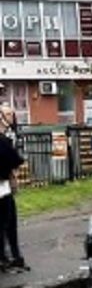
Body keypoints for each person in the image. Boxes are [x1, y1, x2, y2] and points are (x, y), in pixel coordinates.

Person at [0, 113, 26, 272]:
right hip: (2, 189)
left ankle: (9, 257)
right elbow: (15, 161)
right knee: (7, 224)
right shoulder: (2, 141)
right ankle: (10, 257)